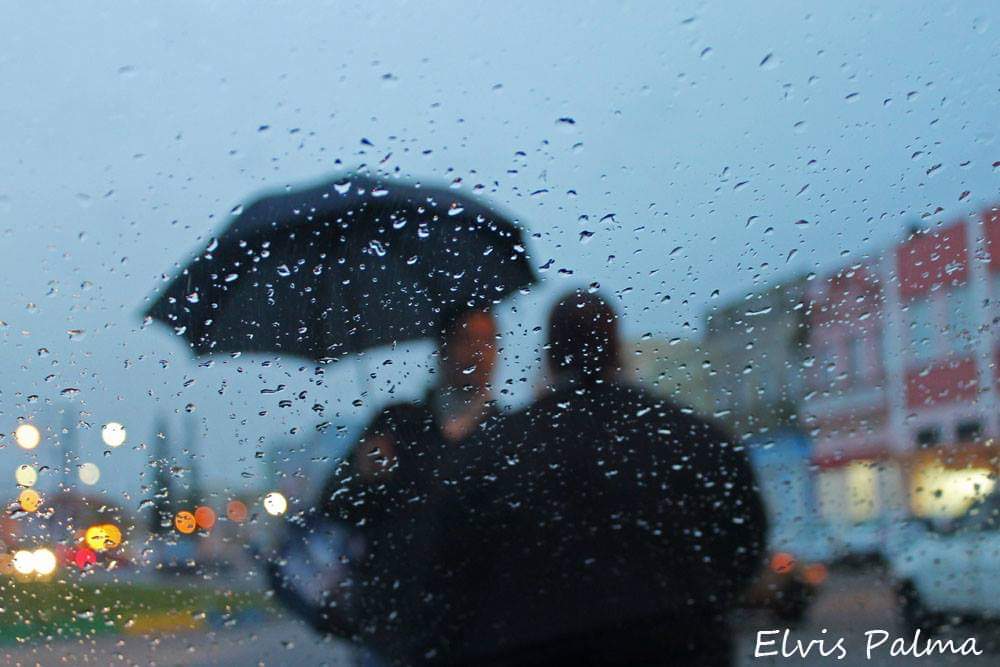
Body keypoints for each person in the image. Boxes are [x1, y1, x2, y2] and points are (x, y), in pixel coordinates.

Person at [437, 290, 767, 666]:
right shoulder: (693, 439)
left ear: (549, 356)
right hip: (682, 643)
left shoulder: (494, 453)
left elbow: (453, 565)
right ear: (617, 350)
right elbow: (743, 541)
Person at [317, 304, 500, 665]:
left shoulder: (505, 433)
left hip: (476, 630)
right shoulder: (398, 425)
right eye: (467, 340)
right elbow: (334, 505)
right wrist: (362, 477)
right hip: (392, 628)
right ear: (442, 349)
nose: (478, 354)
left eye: (488, 341)